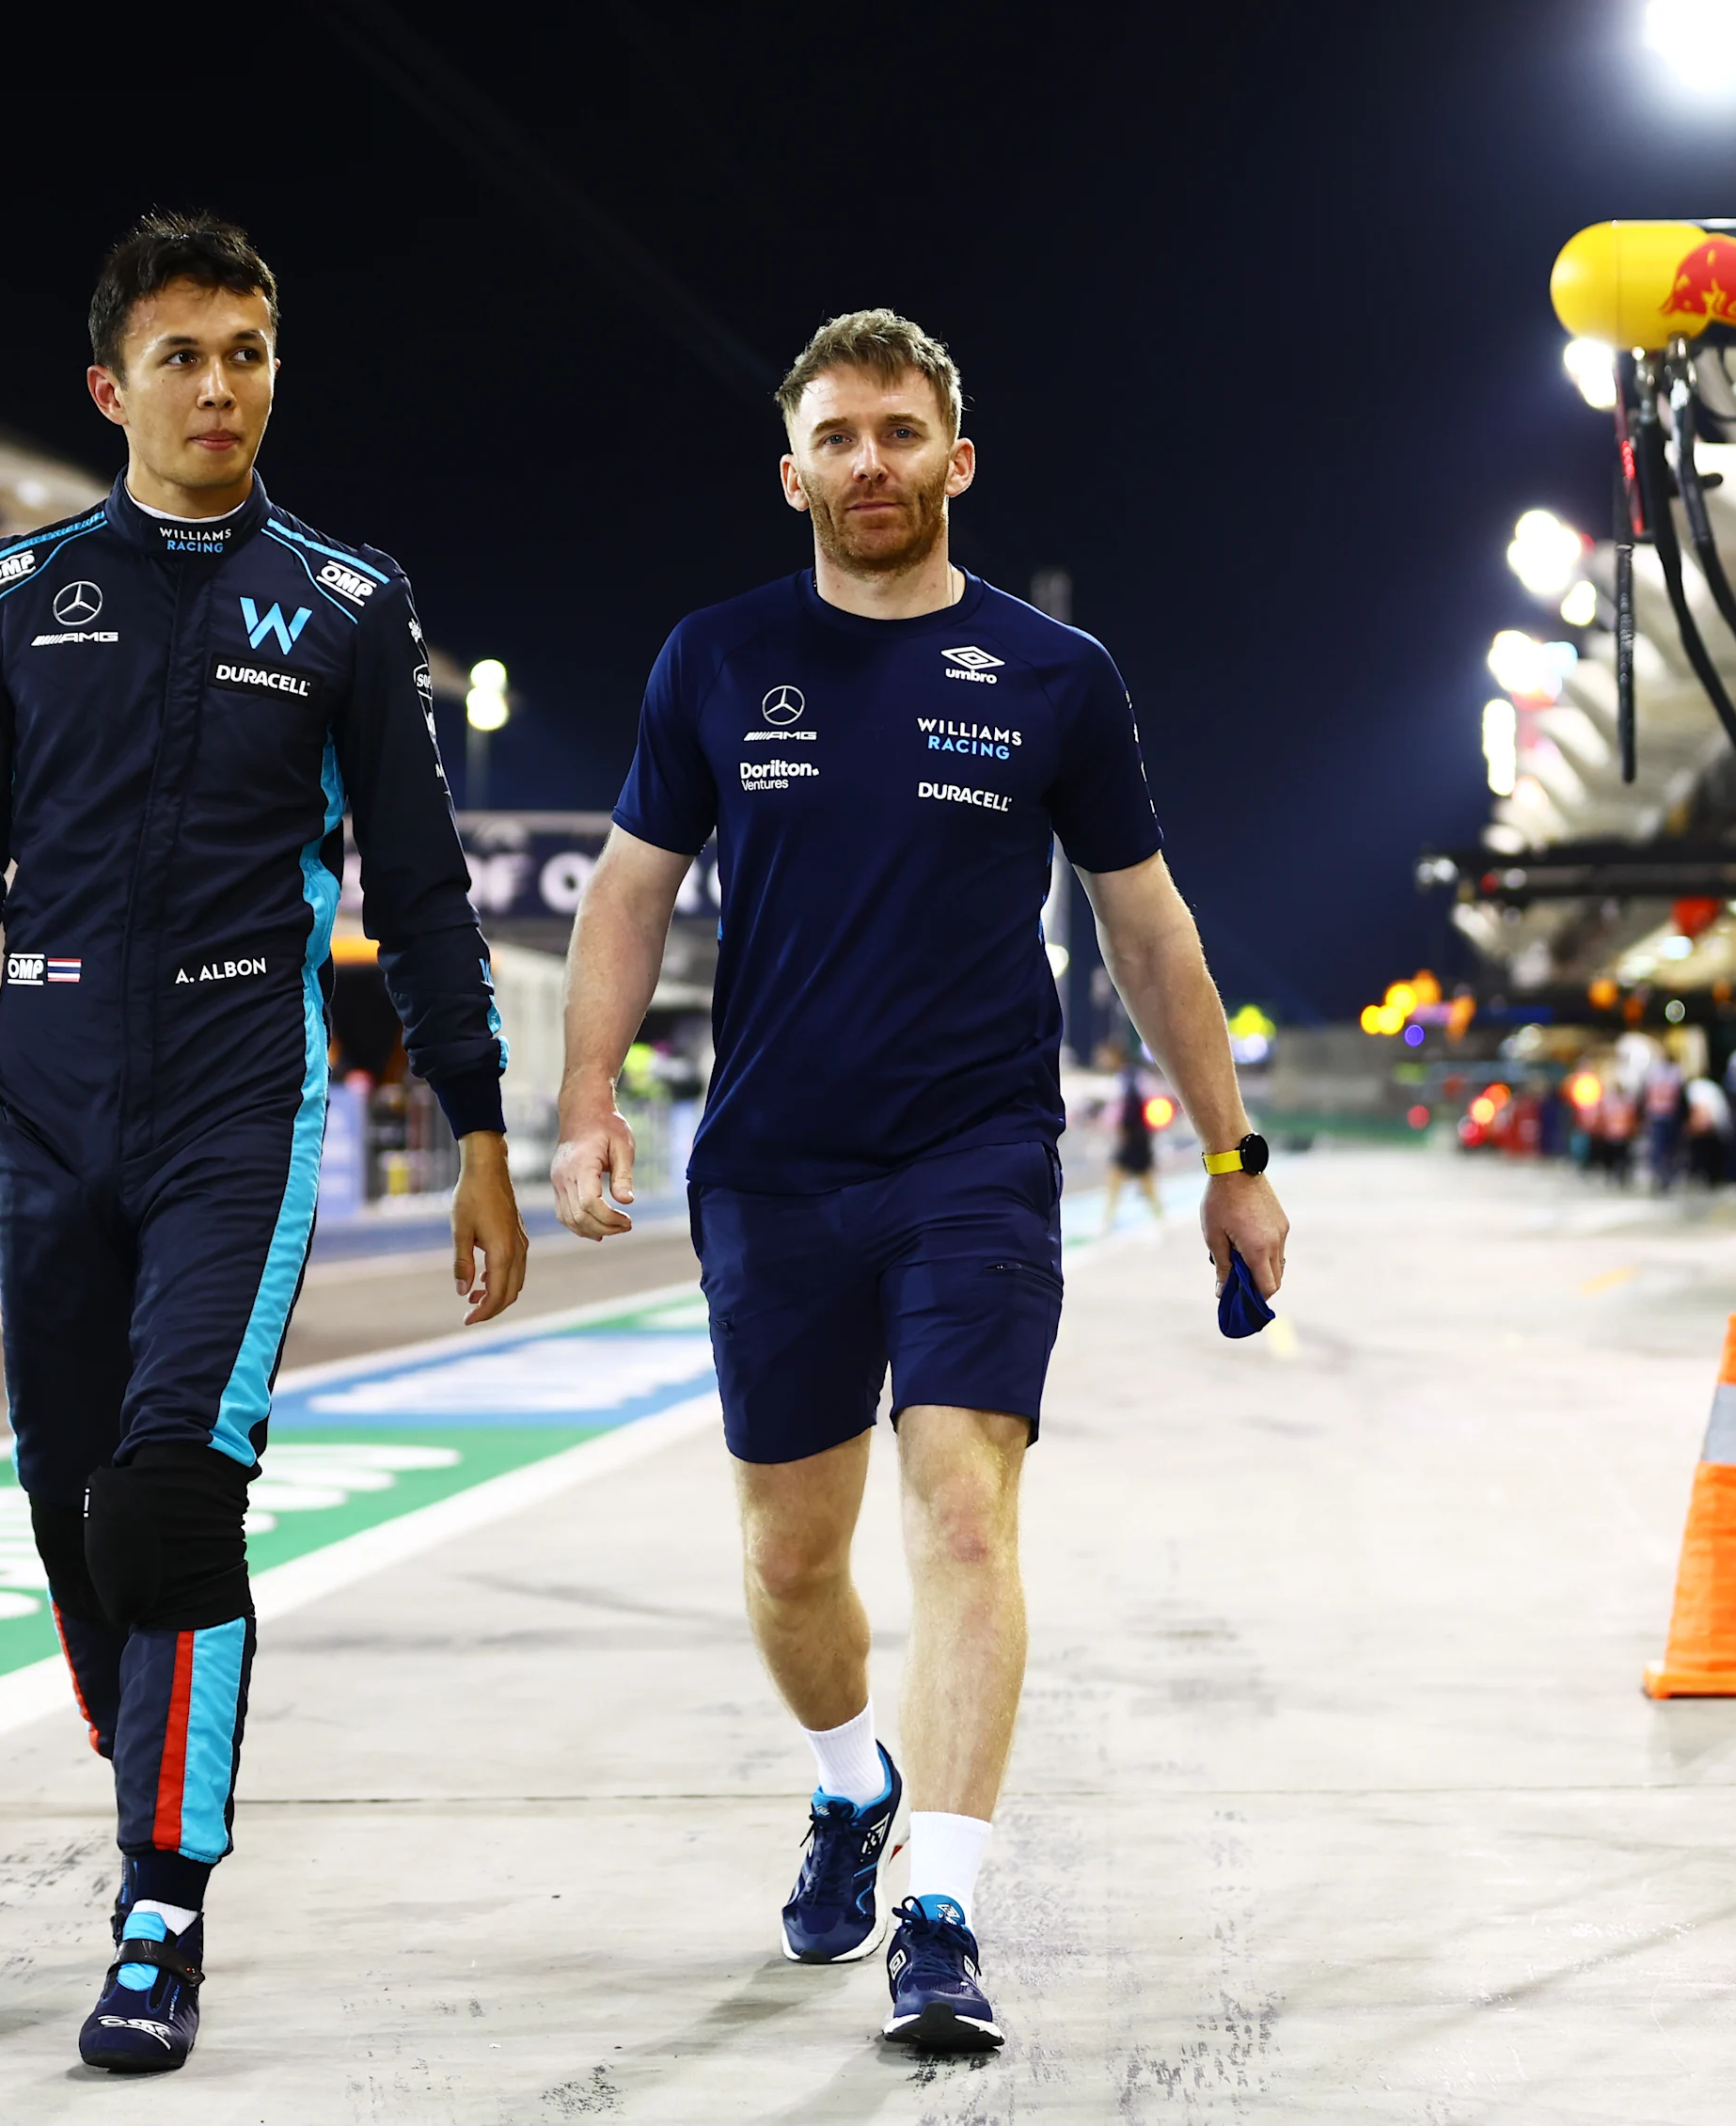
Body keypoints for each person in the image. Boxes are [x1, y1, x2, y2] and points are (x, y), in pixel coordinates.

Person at [0, 210, 527, 2076]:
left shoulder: (345, 601)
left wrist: (480, 1122)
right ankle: (157, 1712)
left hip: (240, 1087)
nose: (218, 385)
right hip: (52, 1079)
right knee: (65, 1503)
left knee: (171, 1494)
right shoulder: (17, 593)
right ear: (111, 385)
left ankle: (159, 1904)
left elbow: (419, 891)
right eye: (181, 354)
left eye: (248, 349)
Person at [549, 309, 1287, 2053]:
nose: (867, 462)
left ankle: (941, 1907)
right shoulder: (715, 660)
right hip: (772, 1168)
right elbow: (626, 894)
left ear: (957, 461)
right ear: (790, 467)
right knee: (793, 1560)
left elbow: (1146, 923)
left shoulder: (1055, 675)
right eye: (837, 434)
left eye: (900, 432)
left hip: (975, 1153)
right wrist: (584, 1101)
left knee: (961, 1511)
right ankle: (846, 1781)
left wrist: (1231, 1153)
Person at [1100, 1050, 1163, 1231]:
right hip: (1137, 1136)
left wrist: (1127, 1130)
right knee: (1141, 1178)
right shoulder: (1132, 1076)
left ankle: (1108, 1219)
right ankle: (1159, 1215)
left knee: (1121, 1175)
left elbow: (1130, 1107)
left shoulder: (1128, 1078)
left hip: (1134, 1137)